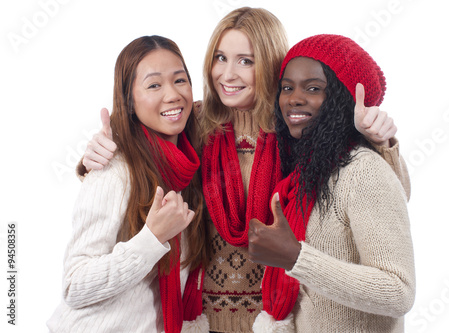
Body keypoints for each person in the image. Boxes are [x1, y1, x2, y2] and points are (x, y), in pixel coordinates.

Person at [78, 7, 410, 332]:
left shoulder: (298, 128)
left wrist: (382, 142)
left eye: (246, 61)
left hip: (280, 319)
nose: (228, 74)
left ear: (269, 65)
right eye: (220, 58)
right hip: (200, 318)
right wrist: (96, 156)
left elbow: (388, 200)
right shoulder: (191, 123)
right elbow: (142, 154)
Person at [247, 34, 415, 332]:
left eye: (313, 88)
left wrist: (296, 258)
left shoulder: (362, 171)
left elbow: (398, 291)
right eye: (287, 88)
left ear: (340, 99)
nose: (294, 98)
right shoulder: (306, 171)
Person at [47, 35, 210, 333]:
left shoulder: (187, 167)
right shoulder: (114, 169)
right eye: (154, 85)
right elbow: (74, 285)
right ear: (129, 102)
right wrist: (152, 239)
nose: (173, 94)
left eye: (180, 80)